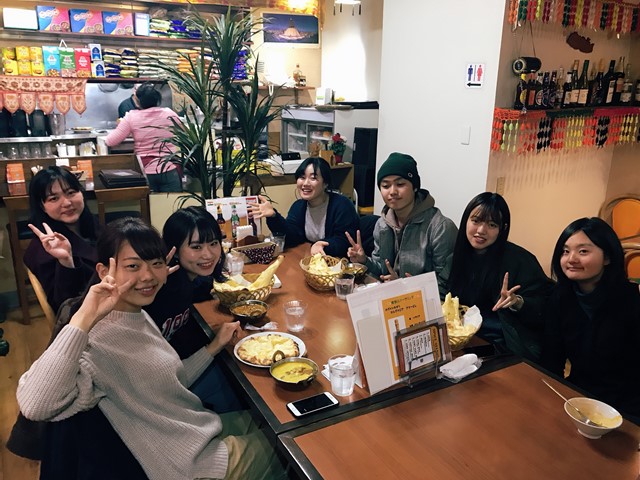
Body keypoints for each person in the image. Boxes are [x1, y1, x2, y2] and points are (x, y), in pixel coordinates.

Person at [17, 217, 286, 480]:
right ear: (103, 271)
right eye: (133, 266)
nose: (147, 276)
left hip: (194, 430)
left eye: (156, 264)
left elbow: (170, 378)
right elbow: (36, 405)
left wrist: (214, 346)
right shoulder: (96, 341)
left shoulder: (135, 313)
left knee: (279, 418)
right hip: (189, 466)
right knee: (293, 449)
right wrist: (83, 319)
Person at [541, 217, 640, 420]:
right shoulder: (560, 297)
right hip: (579, 397)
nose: (571, 259)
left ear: (607, 257)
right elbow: (551, 359)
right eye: (565, 251)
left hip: (627, 404)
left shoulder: (630, 299)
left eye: (583, 251)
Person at [146, 206, 242, 412]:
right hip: (160, 392)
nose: (208, 254)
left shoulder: (192, 281)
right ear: (174, 250)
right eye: (196, 247)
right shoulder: (155, 291)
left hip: (180, 368)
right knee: (240, 388)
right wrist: (215, 343)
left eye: (214, 243)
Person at [447, 192, 553, 360]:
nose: (481, 230)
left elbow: (546, 306)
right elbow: (443, 294)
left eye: (492, 224)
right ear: (466, 221)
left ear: (502, 228)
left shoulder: (520, 260)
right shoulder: (456, 258)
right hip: (466, 341)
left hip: (504, 345)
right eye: (476, 221)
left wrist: (518, 302)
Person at [346, 152, 457, 297]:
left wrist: (404, 286)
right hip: (390, 300)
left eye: (400, 184)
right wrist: (364, 261)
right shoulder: (382, 224)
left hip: (425, 305)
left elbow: (446, 285)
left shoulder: (440, 228)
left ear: (415, 187)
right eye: (385, 185)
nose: (392, 192)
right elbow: (381, 271)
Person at [249, 156, 359, 257]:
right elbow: (291, 236)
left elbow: (345, 241)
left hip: (338, 263)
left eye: (313, 178)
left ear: (325, 183)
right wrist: (273, 216)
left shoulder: (342, 205)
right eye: (302, 177)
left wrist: (323, 245)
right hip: (312, 261)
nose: (305, 183)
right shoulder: (299, 206)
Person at [25, 166, 100, 313]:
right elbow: (64, 306)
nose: (66, 203)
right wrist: (66, 261)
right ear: (42, 206)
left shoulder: (93, 226)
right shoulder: (40, 250)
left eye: (71, 192)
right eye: (54, 198)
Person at [105, 82, 182, 193]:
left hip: (145, 171)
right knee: (170, 203)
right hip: (169, 168)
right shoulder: (169, 113)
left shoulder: (131, 117)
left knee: (148, 203)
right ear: (157, 100)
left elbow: (110, 141)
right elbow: (184, 132)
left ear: (138, 101)